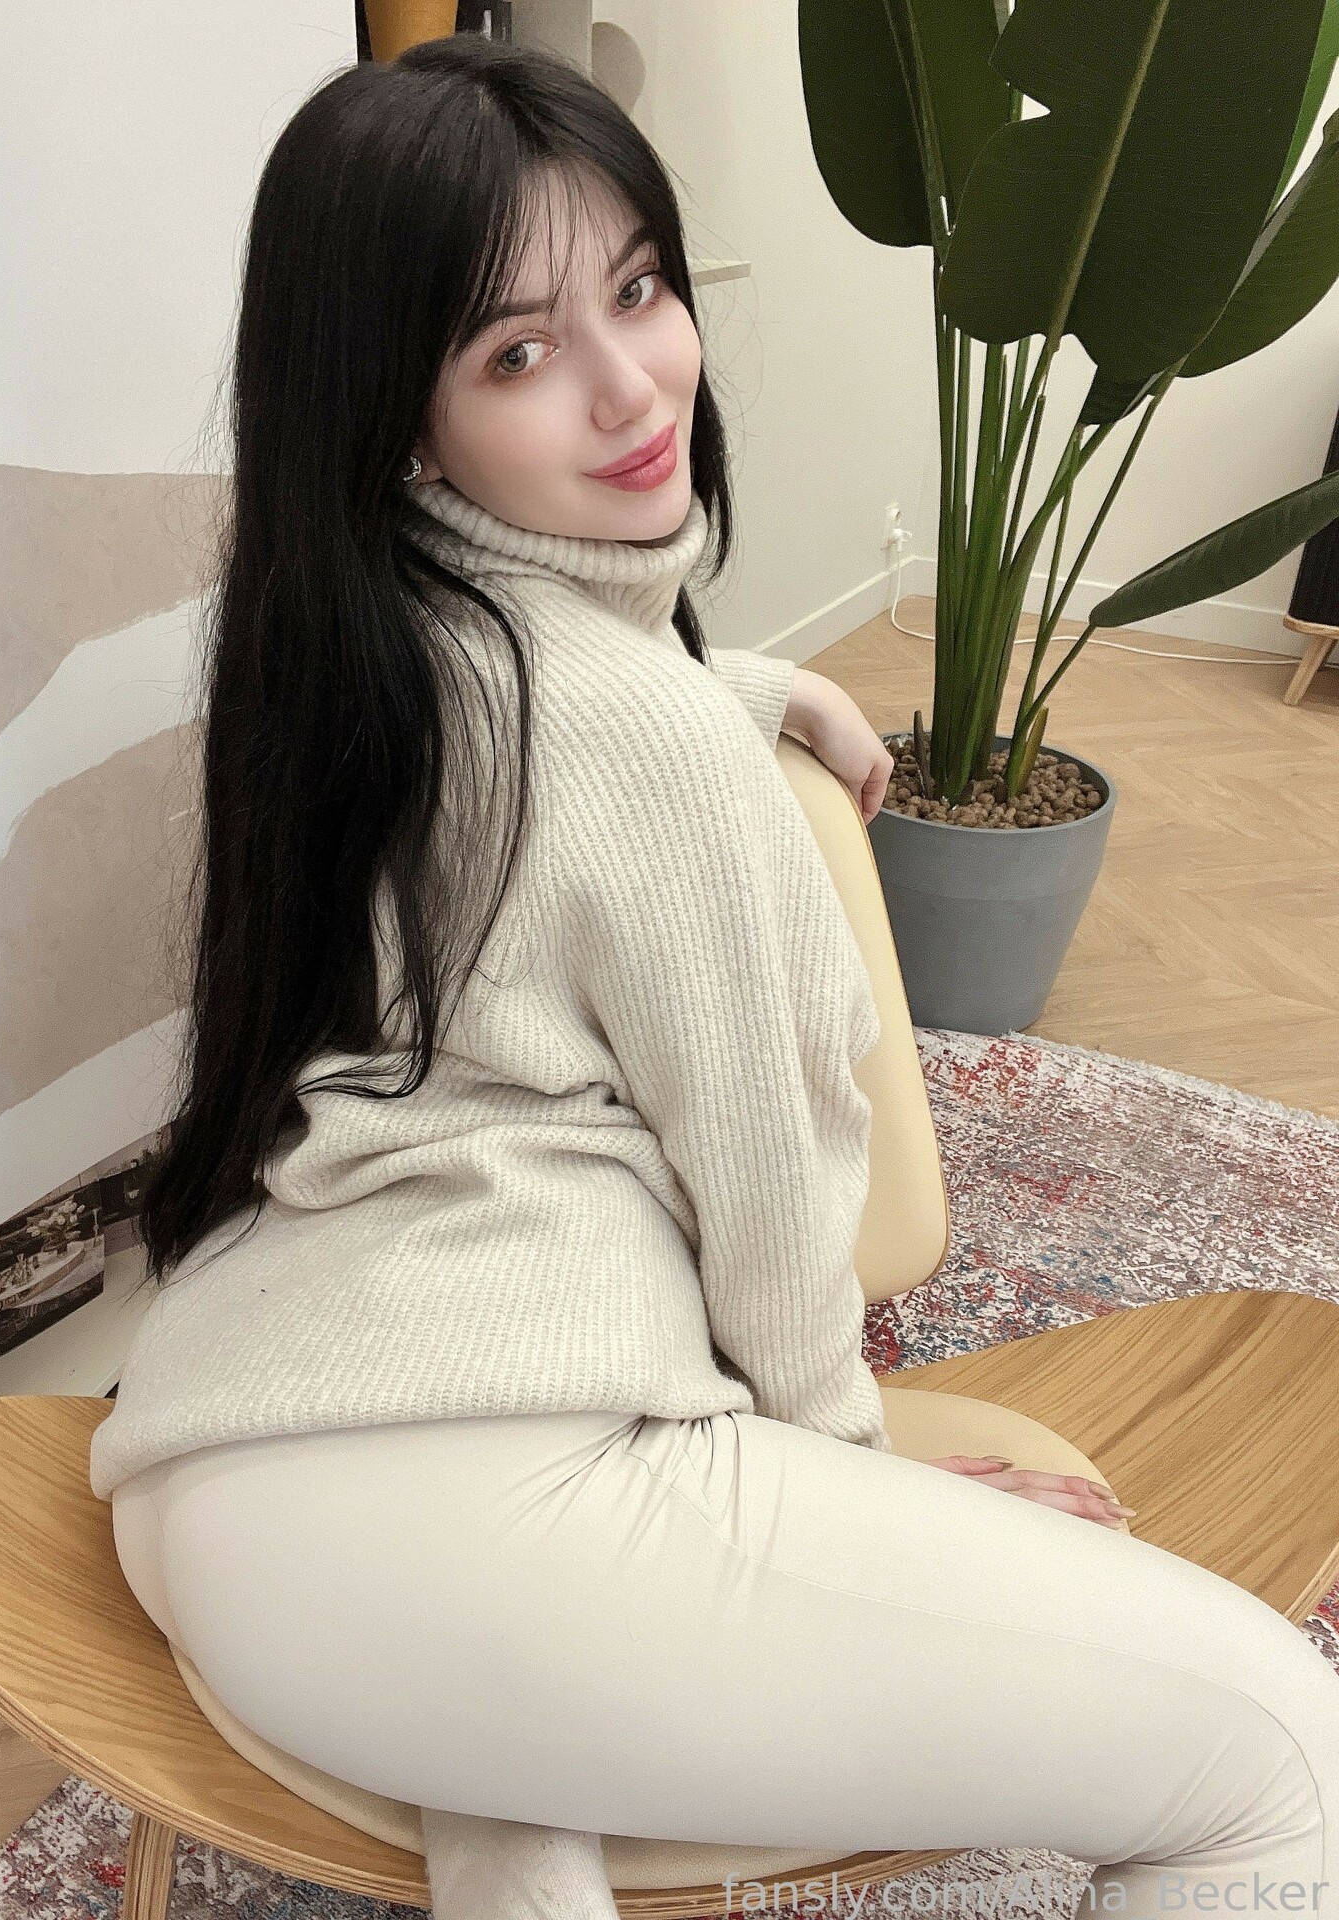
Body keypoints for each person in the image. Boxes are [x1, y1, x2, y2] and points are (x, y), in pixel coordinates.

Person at [94, 37, 1339, 1920]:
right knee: (1278, 1761)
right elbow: (772, 1194)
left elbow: (569, 741)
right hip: (480, 1518)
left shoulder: (353, 649)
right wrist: (857, 1484)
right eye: (518, 352)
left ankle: (516, 1781)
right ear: (401, 413)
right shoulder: (642, 743)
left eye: (640, 289)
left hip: (226, 1479)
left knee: (566, 1734)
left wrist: (744, 689)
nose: (631, 385)